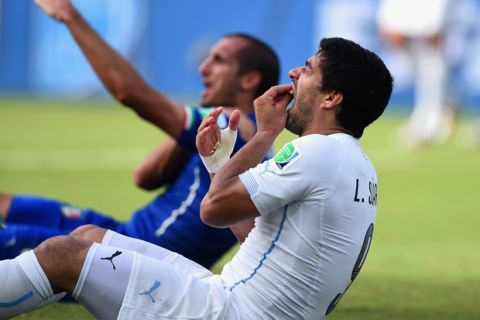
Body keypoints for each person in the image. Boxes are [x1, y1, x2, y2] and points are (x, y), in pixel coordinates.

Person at [0, 37, 393, 319]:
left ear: (331, 98)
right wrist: (219, 163)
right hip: (233, 298)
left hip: (232, 310)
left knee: (62, 256)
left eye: (308, 70)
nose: (294, 73)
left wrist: (264, 136)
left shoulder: (315, 151)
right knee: (88, 236)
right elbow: (249, 232)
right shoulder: (356, 164)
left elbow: (213, 209)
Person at [0, 0, 279, 268]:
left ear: (249, 80)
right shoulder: (235, 134)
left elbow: (130, 93)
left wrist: (69, 15)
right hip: (122, 233)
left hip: (135, 259)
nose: (203, 69)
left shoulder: (233, 125)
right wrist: (189, 135)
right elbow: (144, 177)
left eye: (218, 61)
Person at [377, 0, 455, 148]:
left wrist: (436, 23)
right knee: (418, 64)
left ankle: (432, 119)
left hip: (433, 8)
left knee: (432, 54)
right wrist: (387, 20)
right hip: (406, 11)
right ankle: (445, 105)